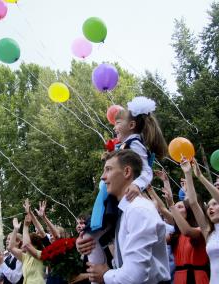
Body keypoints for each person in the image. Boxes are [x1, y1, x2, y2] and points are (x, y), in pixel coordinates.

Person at [85, 97, 168, 278]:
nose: (114, 127)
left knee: (88, 237)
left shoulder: (135, 144)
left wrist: (137, 185)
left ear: (131, 125)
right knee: (87, 238)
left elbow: (146, 170)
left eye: (118, 122)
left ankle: (97, 275)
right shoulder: (125, 145)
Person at [86, 150, 170, 283]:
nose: (103, 177)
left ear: (126, 172)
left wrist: (105, 275)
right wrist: (84, 241)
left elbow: (135, 276)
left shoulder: (139, 210)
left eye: (108, 169)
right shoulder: (124, 211)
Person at [159, 171, 209, 284]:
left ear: (188, 210)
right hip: (179, 278)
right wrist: (151, 189)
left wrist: (172, 204)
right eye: (175, 207)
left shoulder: (200, 230)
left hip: (197, 277)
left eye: (180, 206)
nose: (176, 209)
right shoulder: (175, 233)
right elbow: (162, 208)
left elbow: (187, 230)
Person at [9, 216, 45, 284]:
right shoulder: (25, 257)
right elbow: (11, 247)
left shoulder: (41, 253)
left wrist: (25, 226)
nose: (23, 243)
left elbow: (27, 245)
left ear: (33, 244)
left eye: (25, 240)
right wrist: (15, 229)